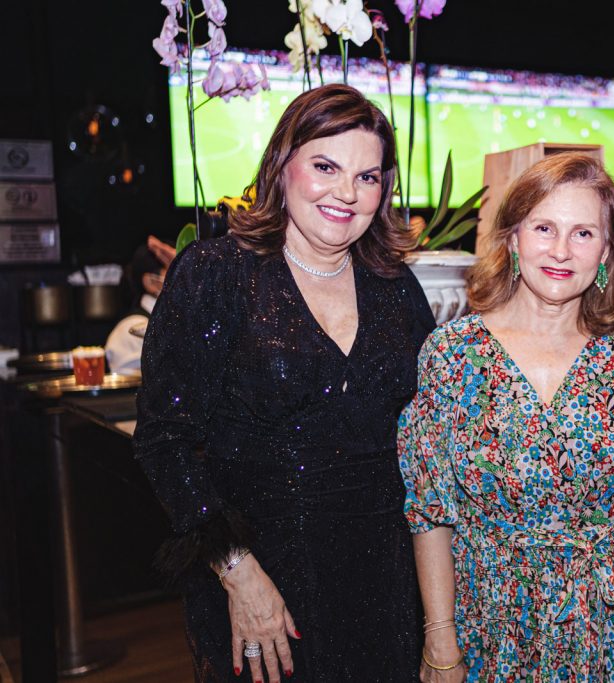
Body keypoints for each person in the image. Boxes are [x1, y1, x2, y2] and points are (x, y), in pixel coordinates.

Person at [133, 84, 435, 682]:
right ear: (283, 164)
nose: (346, 193)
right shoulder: (216, 274)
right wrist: (238, 572)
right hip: (265, 585)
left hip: (388, 582)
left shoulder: (396, 286)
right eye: (326, 166)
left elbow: (430, 436)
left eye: (368, 176)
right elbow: (164, 441)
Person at [398, 153, 614, 682]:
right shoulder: (452, 356)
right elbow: (431, 514)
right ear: (514, 237)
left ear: (607, 252)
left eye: (584, 233)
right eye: (545, 228)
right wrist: (440, 640)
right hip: (495, 633)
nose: (562, 251)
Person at [105, 235, 176, 374]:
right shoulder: (133, 329)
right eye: (176, 271)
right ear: (151, 282)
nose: (186, 279)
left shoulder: (173, 320)